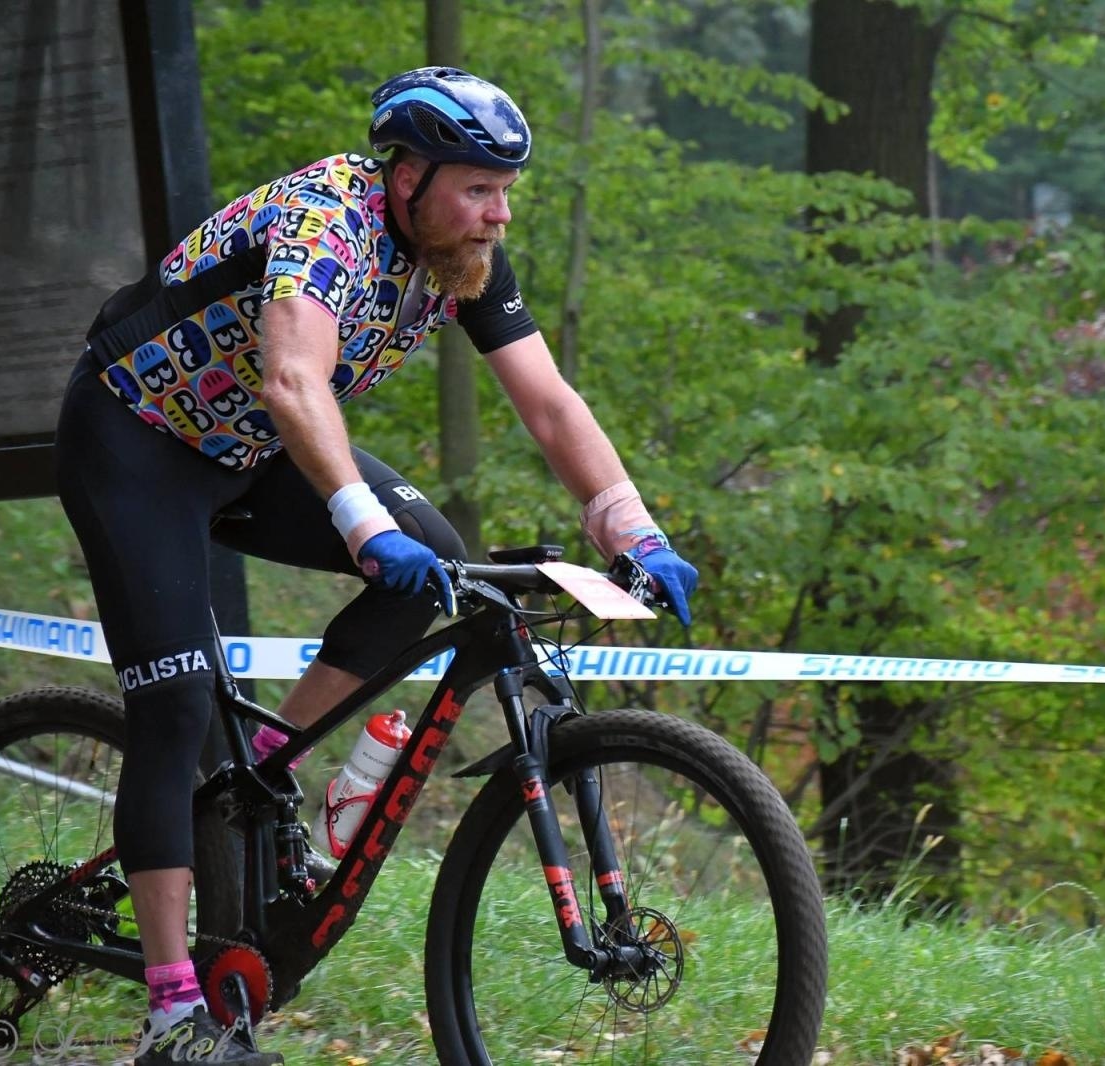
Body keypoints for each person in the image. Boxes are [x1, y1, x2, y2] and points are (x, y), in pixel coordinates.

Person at [54, 67, 698, 1065]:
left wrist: (631, 525)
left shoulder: (462, 252)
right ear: (407, 176)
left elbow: (550, 403)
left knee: (437, 565)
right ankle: (172, 1013)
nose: (498, 210)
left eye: (506, 188)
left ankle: (266, 769)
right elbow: (292, 378)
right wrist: (360, 522)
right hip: (135, 440)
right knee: (176, 709)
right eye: (478, 186)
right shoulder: (327, 222)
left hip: (248, 448)